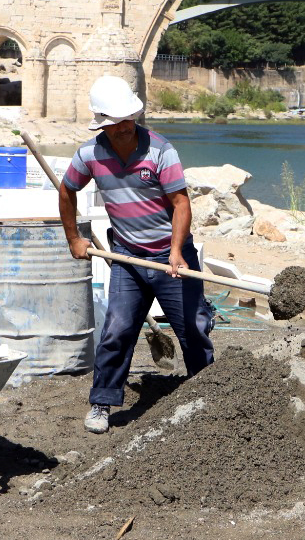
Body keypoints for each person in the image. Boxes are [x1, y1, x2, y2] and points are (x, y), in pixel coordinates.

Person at [59, 75, 215, 434]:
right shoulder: (89, 154)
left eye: (129, 119)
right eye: (117, 122)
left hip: (170, 255)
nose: (125, 127)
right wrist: (73, 239)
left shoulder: (161, 150)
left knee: (193, 327)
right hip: (127, 257)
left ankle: (208, 396)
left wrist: (176, 251)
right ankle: (102, 401)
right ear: (102, 122)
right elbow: (67, 191)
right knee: (117, 328)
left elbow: (180, 203)